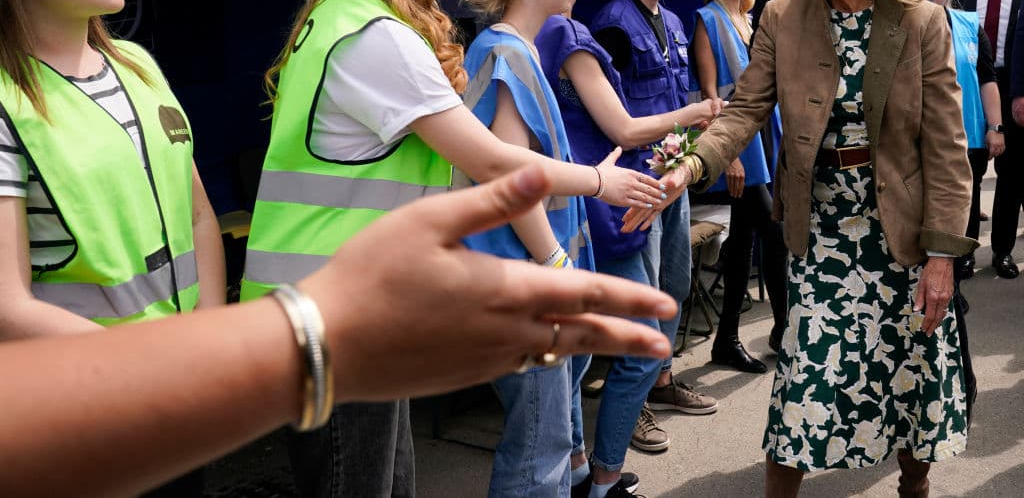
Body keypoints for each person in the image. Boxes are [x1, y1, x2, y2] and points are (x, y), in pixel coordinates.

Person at [240, 0, 664, 498]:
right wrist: (599, 186)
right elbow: (492, 162)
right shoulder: (377, 34)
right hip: (336, 310)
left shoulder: (337, 17)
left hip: (330, 307)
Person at [0, 166, 678, 498]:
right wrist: (323, 337)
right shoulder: (366, 28)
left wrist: (219, 331)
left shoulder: (137, 68)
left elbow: (200, 214)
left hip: (170, 375)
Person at [629, 0, 976, 496]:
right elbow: (742, 111)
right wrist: (690, 165)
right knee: (803, 382)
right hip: (819, 235)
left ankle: (913, 488)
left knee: (908, 374)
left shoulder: (921, 20)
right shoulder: (783, 14)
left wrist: (943, 255)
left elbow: (945, 148)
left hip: (900, 233)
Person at [0, 0, 227, 497]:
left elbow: (197, 215)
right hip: (79, 410)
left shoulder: (137, 64)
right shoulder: (6, 99)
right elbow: (5, 308)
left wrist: (207, 342)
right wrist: (168, 363)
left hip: (177, 396)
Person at [536, 0, 721, 497]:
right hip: (613, 199)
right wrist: (695, 117)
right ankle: (605, 470)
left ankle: (581, 469)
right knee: (638, 341)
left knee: (594, 345)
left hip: (643, 185)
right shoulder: (581, 31)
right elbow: (618, 125)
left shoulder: (659, 20)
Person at [458, 0, 597, 498]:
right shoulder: (508, 54)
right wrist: (556, 267)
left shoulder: (506, 48)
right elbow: (510, 181)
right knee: (537, 454)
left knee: (547, 442)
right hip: (525, 291)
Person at [590, 0, 719, 452]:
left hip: (675, 172)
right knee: (643, 297)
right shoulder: (612, 24)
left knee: (674, 284)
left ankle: (660, 382)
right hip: (637, 184)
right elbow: (607, 118)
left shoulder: (669, 17)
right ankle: (633, 401)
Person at [689, 0, 786, 373]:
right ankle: (787, 331)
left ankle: (725, 341)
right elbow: (711, 98)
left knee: (745, 238)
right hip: (737, 145)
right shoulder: (707, 19)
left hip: (766, 136)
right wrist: (726, 156)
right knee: (776, 235)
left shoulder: (750, 18)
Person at [919, 0, 1003, 429]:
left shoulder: (970, 25)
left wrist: (995, 125)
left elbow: (987, 77)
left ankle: (957, 277)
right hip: (928, 142)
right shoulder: (908, 26)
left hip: (969, 134)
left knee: (967, 214)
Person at [954, 0, 1024, 280]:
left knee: (1011, 174)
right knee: (969, 173)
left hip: (1015, 88)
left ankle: (1003, 251)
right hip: (970, 88)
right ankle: (966, 250)